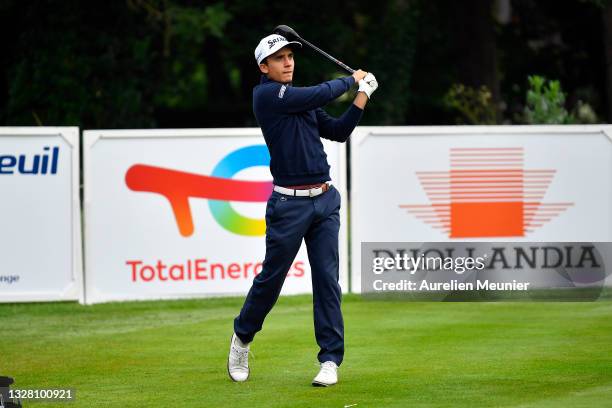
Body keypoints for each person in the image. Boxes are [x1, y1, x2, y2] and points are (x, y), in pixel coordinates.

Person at [227, 33, 378, 387]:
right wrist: (350, 79)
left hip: (324, 200)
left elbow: (339, 132)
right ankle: (242, 338)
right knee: (271, 280)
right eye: (279, 58)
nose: (288, 62)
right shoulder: (267, 96)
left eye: (290, 56)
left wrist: (362, 96)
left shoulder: (301, 101)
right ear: (264, 67)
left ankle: (329, 360)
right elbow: (317, 93)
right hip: (288, 205)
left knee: (327, 280)